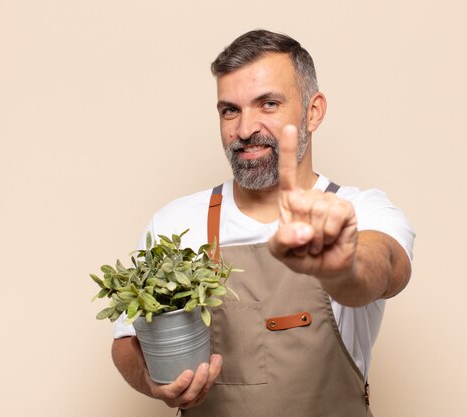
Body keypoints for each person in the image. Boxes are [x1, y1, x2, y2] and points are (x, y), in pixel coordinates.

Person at [111, 29, 414, 416]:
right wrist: (154, 382)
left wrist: (343, 264)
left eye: (268, 104)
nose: (244, 129)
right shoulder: (176, 222)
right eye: (230, 110)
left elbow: (386, 267)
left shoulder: (361, 210)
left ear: (313, 111)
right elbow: (127, 341)